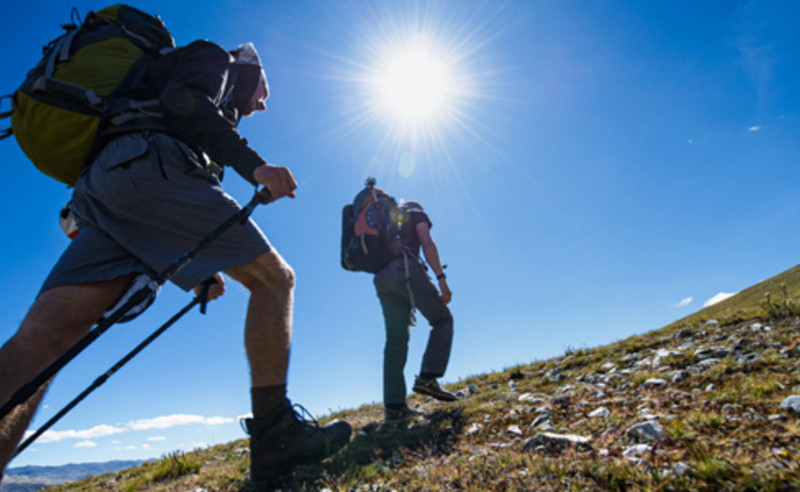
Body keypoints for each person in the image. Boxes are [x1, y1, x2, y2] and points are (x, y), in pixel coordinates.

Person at [0, 40, 350, 483]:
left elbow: (171, 205)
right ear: (251, 68)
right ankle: (276, 438)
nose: (261, 104)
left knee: (46, 335)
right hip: (151, 163)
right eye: (264, 91)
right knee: (274, 280)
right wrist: (254, 166)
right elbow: (183, 104)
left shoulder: (170, 86)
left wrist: (201, 271)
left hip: (105, 185)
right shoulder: (216, 58)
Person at [372, 195, 457, 423]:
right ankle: (428, 377)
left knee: (395, 340)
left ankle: (395, 408)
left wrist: (404, 300)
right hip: (406, 268)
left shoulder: (382, 220)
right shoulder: (415, 210)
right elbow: (426, 242)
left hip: (381, 279)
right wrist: (441, 279)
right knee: (442, 320)